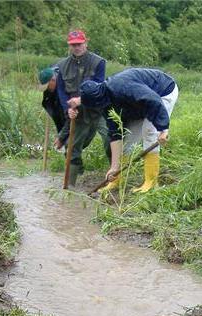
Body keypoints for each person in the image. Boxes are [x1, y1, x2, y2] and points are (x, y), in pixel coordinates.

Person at [68, 68, 178, 193]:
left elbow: (153, 100)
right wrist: (114, 167)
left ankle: (151, 183)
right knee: (126, 143)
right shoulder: (104, 104)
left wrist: (163, 129)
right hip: (138, 105)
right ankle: (117, 179)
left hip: (162, 91)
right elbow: (115, 134)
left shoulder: (121, 86)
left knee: (149, 131)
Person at [55, 30, 110, 187]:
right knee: (73, 147)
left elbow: (99, 87)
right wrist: (68, 108)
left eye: (79, 44)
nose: (77, 47)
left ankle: (115, 175)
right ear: (69, 46)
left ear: (86, 43)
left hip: (99, 109)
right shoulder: (62, 66)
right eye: (73, 45)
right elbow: (61, 91)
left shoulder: (98, 62)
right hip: (77, 112)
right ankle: (70, 186)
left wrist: (80, 101)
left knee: (110, 138)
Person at [39, 66, 66, 134]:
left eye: (48, 86)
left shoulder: (65, 85)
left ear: (53, 80)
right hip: (58, 111)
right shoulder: (48, 81)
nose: (47, 89)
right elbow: (46, 102)